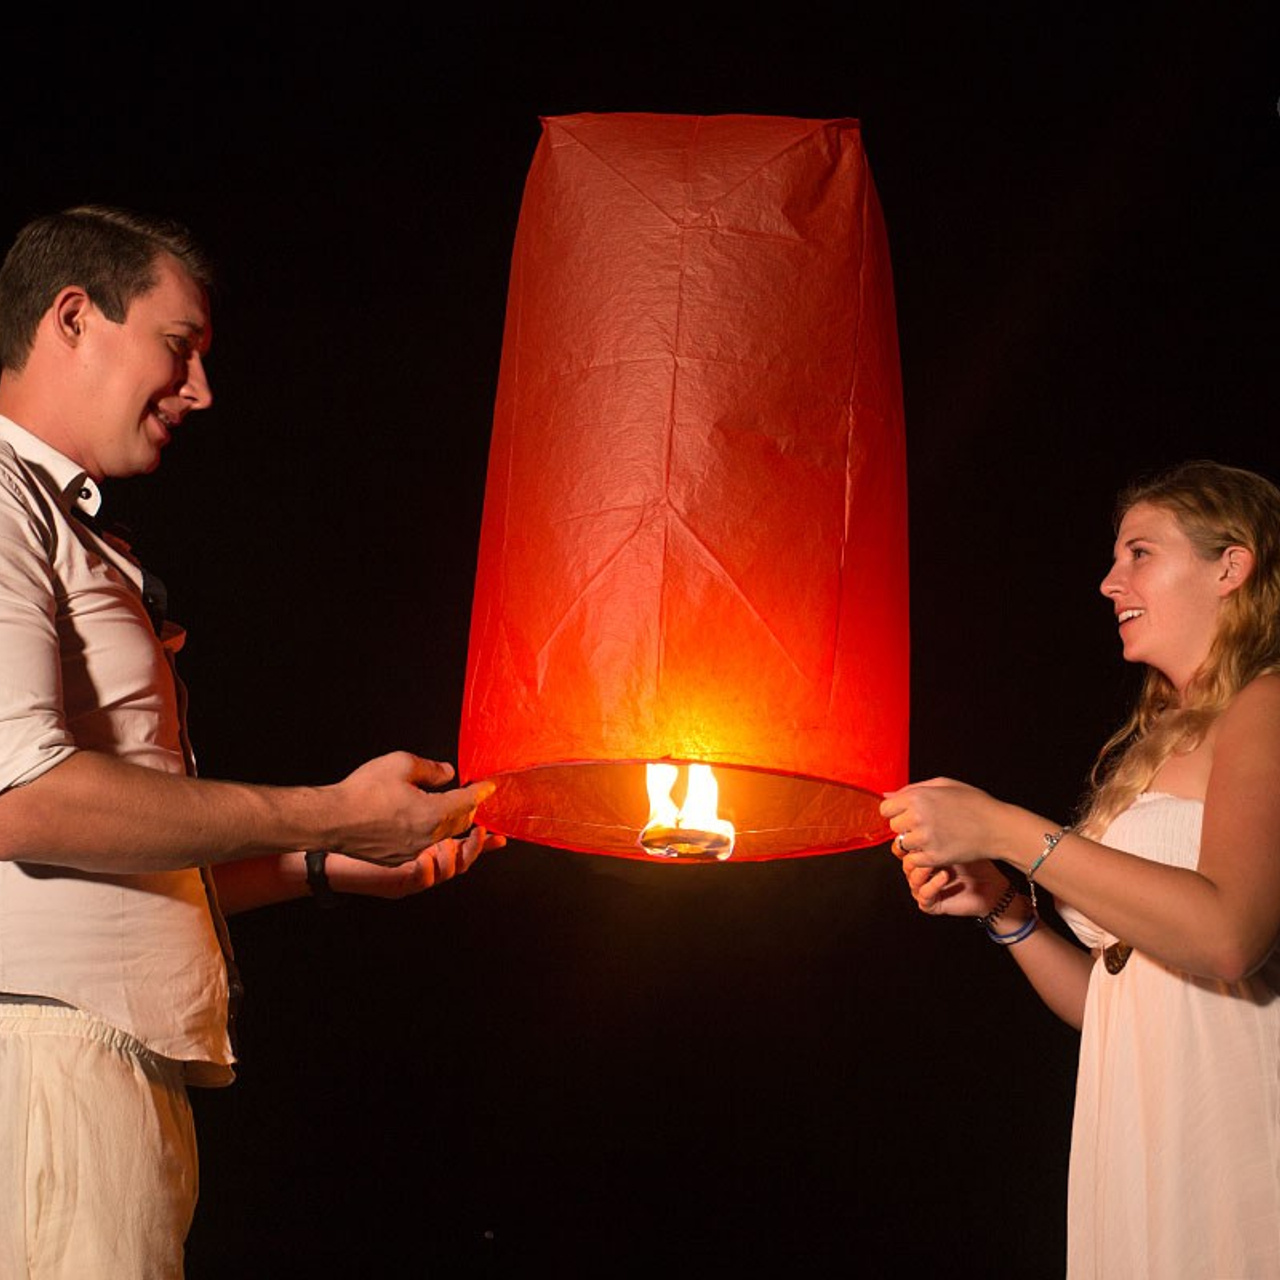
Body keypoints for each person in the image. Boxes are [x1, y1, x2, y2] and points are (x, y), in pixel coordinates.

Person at [0, 206, 503, 1278]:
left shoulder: (59, 520)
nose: (201, 390)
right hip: (46, 1059)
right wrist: (335, 811)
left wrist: (322, 861)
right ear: (74, 317)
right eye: (178, 347)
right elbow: (21, 802)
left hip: (96, 1062)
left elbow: (95, 861)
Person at [880, 460, 1280, 1278]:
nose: (1108, 581)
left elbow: (1229, 936)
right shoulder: (1157, 743)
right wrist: (1003, 906)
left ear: (1230, 566)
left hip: (1234, 1121)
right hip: (1141, 1130)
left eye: (1140, 553)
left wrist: (1002, 825)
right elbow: (1119, 999)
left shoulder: (1268, 706)